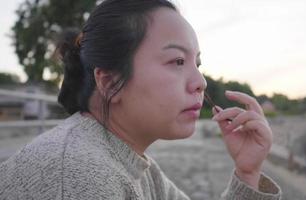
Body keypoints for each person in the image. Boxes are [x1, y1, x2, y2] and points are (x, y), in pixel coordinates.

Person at [0, 0, 281, 199]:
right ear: (109, 82)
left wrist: (247, 173)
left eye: (197, 63)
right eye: (178, 61)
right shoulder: (78, 175)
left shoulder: (136, 165)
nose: (201, 82)